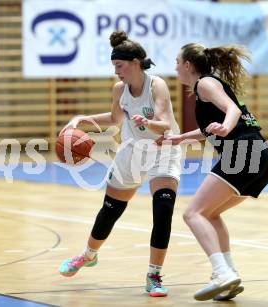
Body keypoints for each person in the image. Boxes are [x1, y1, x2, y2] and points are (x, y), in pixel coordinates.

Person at [58, 30, 181, 298]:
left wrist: (147, 123)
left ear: (136, 62)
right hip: (132, 152)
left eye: (119, 66)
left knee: (163, 208)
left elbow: (165, 123)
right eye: (114, 67)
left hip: (163, 149)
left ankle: (154, 275)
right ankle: (88, 255)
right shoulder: (120, 89)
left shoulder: (156, 85)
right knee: (110, 209)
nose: (117, 72)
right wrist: (82, 119)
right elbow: (115, 119)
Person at [157, 43, 268, 301]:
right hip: (261, 154)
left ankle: (221, 272)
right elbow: (215, 124)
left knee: (192, 214)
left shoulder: (204, 84)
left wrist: (225, 127)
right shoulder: (207, 87)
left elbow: (232, 110)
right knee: (210, 214)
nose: (175, 66)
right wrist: (180, 138)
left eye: (178, 61)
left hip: (244, 151)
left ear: (188, 65)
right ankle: (229, 275)